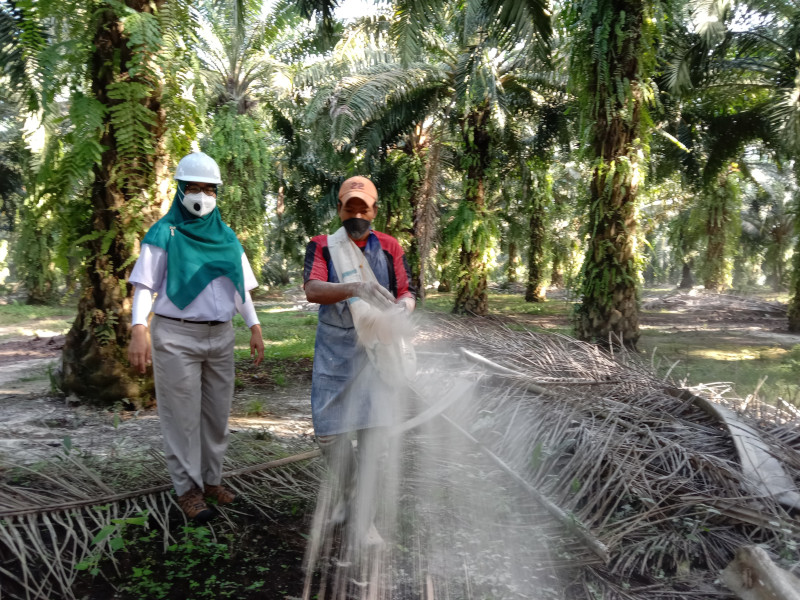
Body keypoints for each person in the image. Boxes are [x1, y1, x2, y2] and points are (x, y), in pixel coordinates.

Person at [127, 151, 264, 522]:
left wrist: (254, 326)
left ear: (218, 193)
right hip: (175, 336)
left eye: (209, 188)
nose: (202, 195)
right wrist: (138, 328)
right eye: (195, 188)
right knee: (181, 417)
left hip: (220, 336)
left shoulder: (227, 238)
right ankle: (188, 490)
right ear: (181, 190)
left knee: (216, 416)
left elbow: (240, 290)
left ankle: (212, 480)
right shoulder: (164, 233)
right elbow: (143, 286)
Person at [303, 175, 415, 545]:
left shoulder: (389, 247)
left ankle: (363, 520)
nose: (356, 213)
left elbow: (406, 293)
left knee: (371, 433)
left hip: (378, 353)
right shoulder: (322, 247)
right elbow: (313, 290)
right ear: (338, 208)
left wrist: (402, 311)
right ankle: (351, 495)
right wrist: (356, 288)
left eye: (363, 207)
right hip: (335, 353)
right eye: (349, 206)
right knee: (329, 433)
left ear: (374, 210)